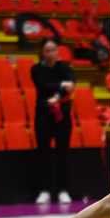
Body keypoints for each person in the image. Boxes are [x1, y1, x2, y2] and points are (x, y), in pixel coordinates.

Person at [31, 38, 75, 204]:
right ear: (42, 52)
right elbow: (43, 86)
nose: (51, 53)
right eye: (48, 50)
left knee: (63, 152)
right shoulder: (36, 69)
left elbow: (71, 85)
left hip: (62, 115)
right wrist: (62, 85)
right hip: (43, 115)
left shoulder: (65, 67)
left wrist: (58, 95)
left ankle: (63, 190)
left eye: (54, 49)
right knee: (44, 153)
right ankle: (45, 190)